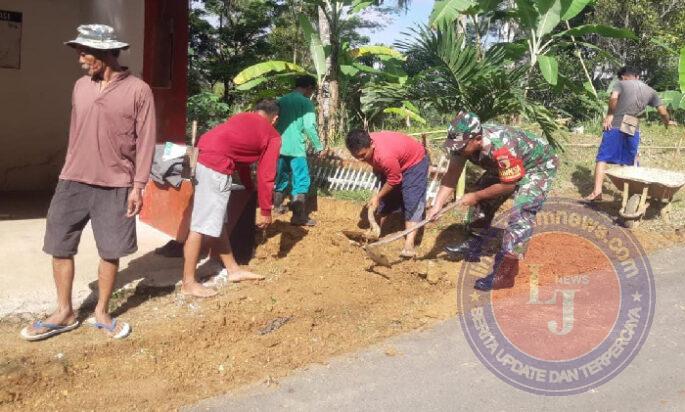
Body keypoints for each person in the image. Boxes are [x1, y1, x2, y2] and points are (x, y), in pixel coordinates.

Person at [20, 25, 156, 341]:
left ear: (108, 52)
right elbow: (75, 132)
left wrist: (138, 186)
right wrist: (67, 168)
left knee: (111, 250)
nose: (81, 59)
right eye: (80, 52)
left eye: (86, 52)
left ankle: (101, 312)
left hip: (116, 184)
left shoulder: (139, 90)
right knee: (59, 244)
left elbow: (147, 141)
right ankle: (64, 312)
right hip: (72, 181)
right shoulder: (80, 86)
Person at [428, 112, 558, 291]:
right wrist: (437, 205)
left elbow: (509, 186)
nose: (456, 150)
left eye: (460, 147)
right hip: (506, 169)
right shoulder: (462, 145)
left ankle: (506, 274)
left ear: (478, 139)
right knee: (481, 194)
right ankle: (475, 242)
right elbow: (451, 176)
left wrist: (476, 196)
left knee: (522, 212)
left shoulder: (501, 147)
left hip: (536, 166)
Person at [182, 100, 281, 297]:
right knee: (201, 226)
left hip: (201, 156)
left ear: (256, 111)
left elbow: (239, 158)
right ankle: (188, 282)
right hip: (216, 165)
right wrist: (266, 210)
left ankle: (233, 270)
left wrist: (248, 186)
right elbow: (266, 174)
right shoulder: (272, 135)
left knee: (217, 223)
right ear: (275, 119)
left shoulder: (242, 118)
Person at [584, 66, 673, 201]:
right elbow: (662, 112)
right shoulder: (650, 91)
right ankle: (632, 194)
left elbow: (614, 98)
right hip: (632, 124)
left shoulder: (620, 84)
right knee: (630, 160)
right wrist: (667, 122)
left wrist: (609, 115)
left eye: (621, 77)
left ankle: (597, 192)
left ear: (624, 76)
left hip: (615, 123)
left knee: (603, 157)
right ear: (637, 76)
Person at [345, 129, 429, 258]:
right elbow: (385, 172)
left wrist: (377, 196)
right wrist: (380, 195)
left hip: (415, 163)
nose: (361, 159)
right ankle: (377, 232)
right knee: (387, 200)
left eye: (363, 155)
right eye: (357, 157)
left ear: (372, 145)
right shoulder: (365, 143)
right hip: (396, 161)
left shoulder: (385, 156)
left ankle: (409, 245)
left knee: (412, 201)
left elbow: (394, 179)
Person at [273, 75, 325, 226]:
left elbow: (274, 122)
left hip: (280, 147)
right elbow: (309, 126)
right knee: (301, 181)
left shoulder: (281, 100)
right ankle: (298, 217)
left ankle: (277, 207)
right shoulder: (306, 103)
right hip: (297, 149)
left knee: (281, 178)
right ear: (308, 87)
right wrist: (319, 146)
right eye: (311, 90)